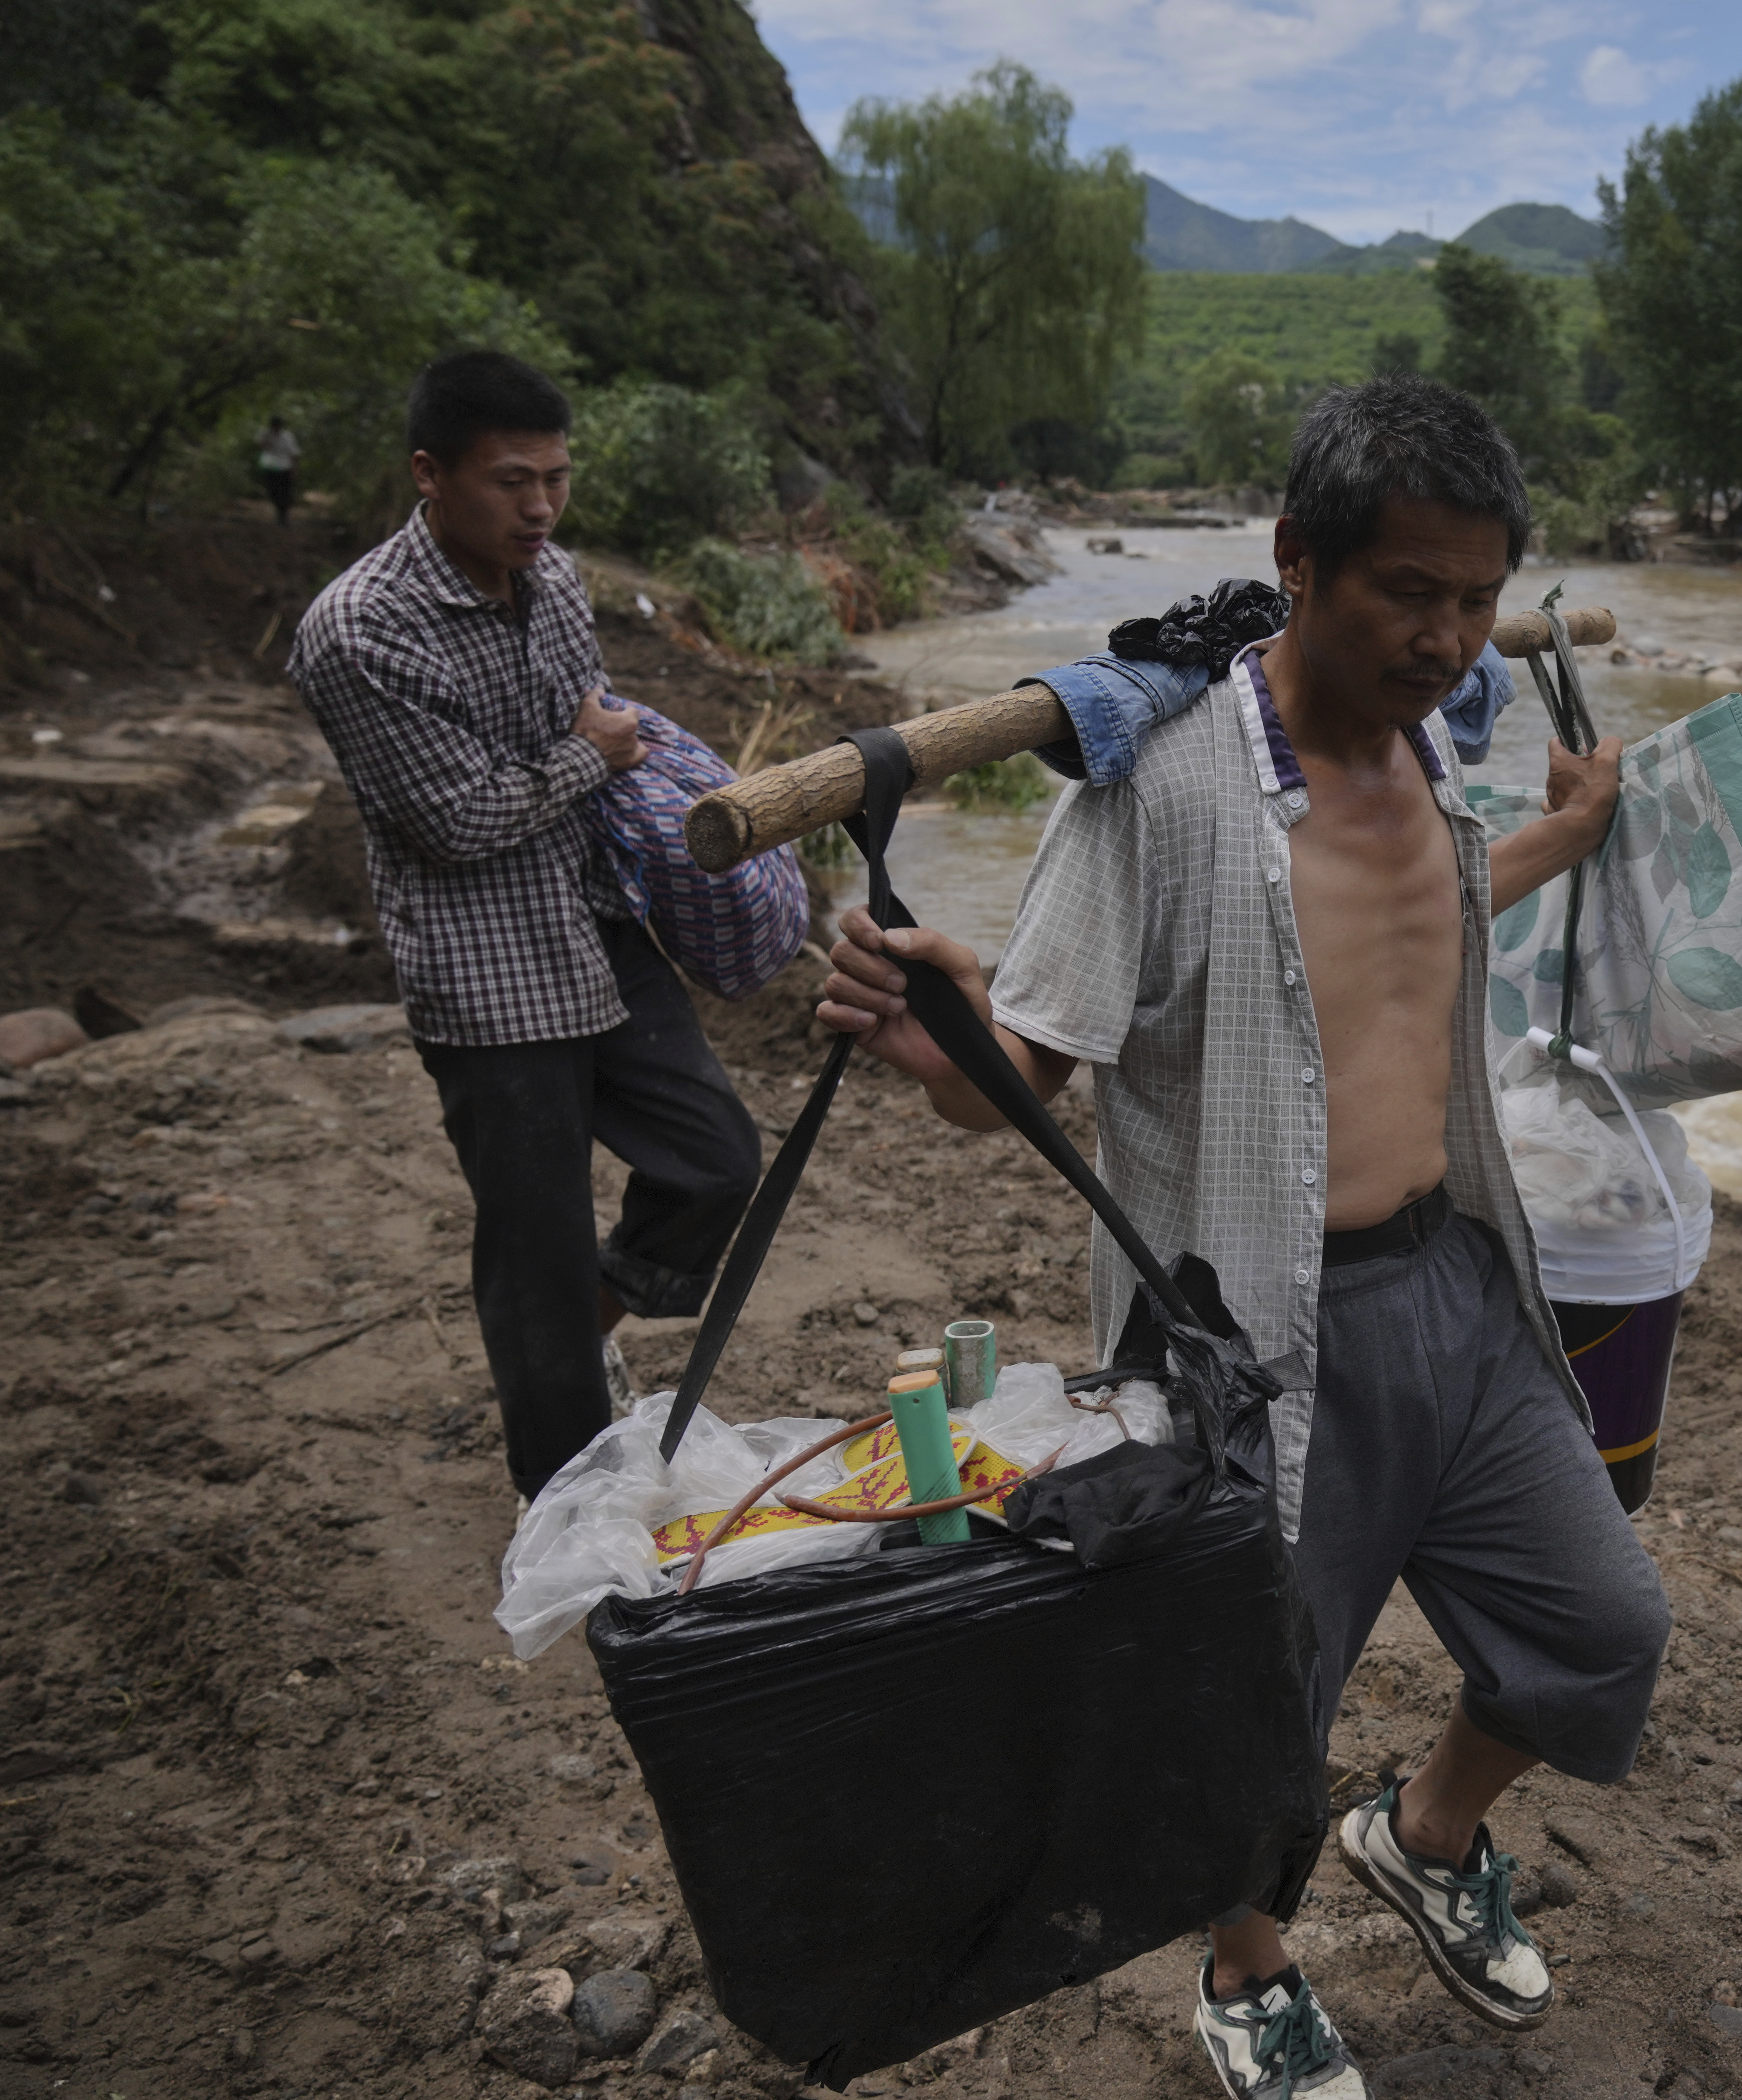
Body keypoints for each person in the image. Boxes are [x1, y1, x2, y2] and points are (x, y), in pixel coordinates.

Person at [820, 376, 1672, 2100]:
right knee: (1253, 1706)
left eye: (1472, 597)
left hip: (1458, 1280)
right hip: (1257, 1337)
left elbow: (1408, 928)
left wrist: (1561, 839)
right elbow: (1024, 1073)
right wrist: (947, 1044)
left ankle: (1427, 1836)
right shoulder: (1156, 787)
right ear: (1296, 564)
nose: (1446, 637)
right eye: (1407, 593)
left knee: (1601, 1628)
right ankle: (1247, 1969)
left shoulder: (1443, 730)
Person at [290, 350, 762, 1502]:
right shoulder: (357, 630)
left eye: (556, 477)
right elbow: (454, 821)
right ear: (430, 476)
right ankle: (564, 1504)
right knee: (535, 1246)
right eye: (512, 481)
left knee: (715, 1160)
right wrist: (586, 757)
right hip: (487, 974)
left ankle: (575, 1334)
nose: (541, 506)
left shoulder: (551, 580)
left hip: (595, 928)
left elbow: (588, 715)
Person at [256, 416, 301, 525]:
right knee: (273, 491)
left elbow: (294, 454)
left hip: (285, 468)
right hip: (271, 468)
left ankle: (284, 516)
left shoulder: (287, 437)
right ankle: (279, 512)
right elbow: (259, 444)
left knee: (285, 493)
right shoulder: (266, 434)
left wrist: (294, 470)